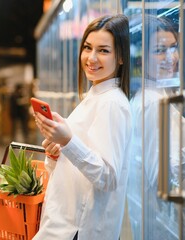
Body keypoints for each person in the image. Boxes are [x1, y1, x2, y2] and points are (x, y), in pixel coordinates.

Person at [33, 14, 131, 240]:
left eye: (103, 50)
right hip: (66, 222)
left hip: (80, 229)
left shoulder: (112, 103)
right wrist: (57, 151)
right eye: (88, 48)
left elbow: (108, 177)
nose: (91, 58)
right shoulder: (95, 96)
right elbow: (83, 164)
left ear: (121, 57)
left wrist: (68, 141)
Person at [128, 14, 183, 240]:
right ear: (141, 58)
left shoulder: (150, 95)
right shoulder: (152, 102)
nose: (171, 57)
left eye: (174, 48)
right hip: (162, 224)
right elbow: (160, 175)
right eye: (160, 50)